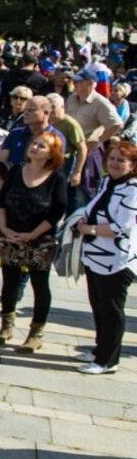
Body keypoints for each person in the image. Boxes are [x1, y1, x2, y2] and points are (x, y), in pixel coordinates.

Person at [0, 132, 68, 351]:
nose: (34, 147)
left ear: (51, 153)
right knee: (9, 282)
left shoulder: (57, 177)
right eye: (34, 144)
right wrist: (4, 227)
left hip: (40, 240)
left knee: (40, 284)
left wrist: (32, 235)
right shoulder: (16, 171)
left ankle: (36, 333)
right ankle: (6, 327)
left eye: (41, 146)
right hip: (10, 235)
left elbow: (57, 213)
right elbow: (1, 200)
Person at [74, 140, 137, 374]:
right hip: (95, 255)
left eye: (121, 160)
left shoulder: (133, 190)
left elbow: (121, 226)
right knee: (98, 305)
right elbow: (95, 209)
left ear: (132, 165)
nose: (114, 164)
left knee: (111, 310)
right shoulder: (109, 182)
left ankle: (108, 360)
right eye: (111, 159)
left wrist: (89, 230)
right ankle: (100, 349)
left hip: (116, 260)